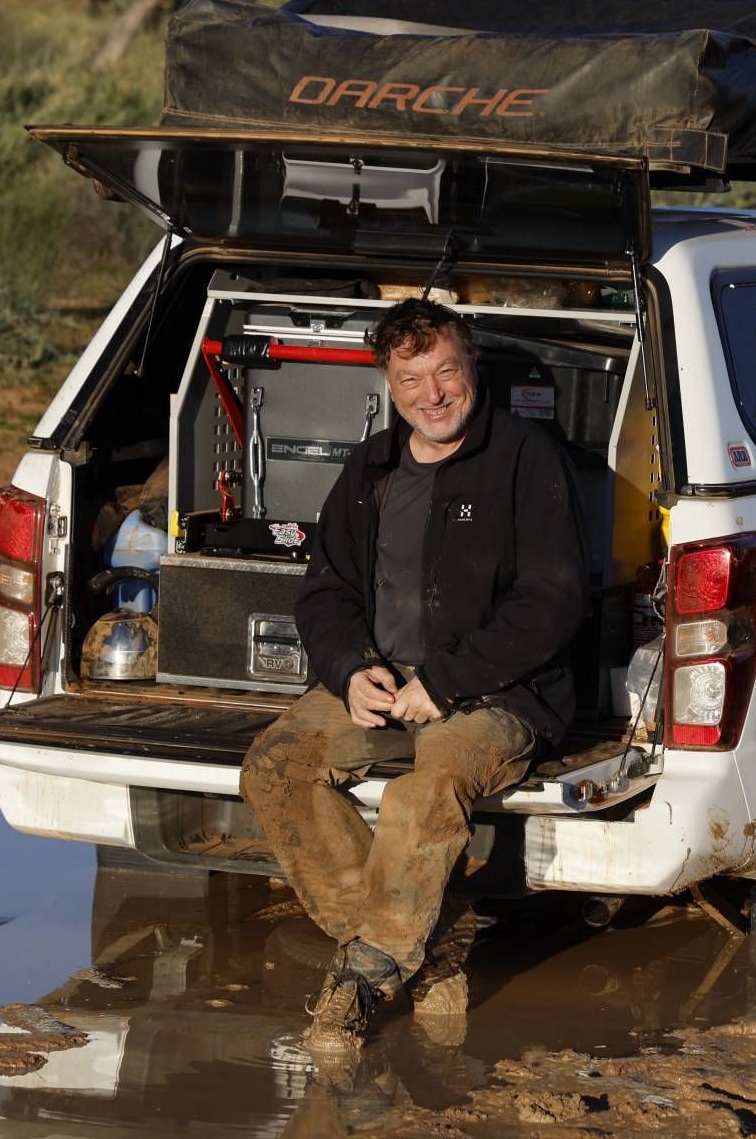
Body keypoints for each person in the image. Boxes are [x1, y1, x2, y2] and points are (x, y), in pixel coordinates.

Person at [241, 298, 588, 1055]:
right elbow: (325, 592)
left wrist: (448, 680)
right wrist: (350, 669)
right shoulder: (371, 466)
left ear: (471, 368)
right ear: (388, 385)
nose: (432, 395)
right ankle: (432, 941)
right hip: (385, 682)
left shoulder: (526, 458)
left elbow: (553, 600)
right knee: (276, 765)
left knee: (426, 790)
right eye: (411, 379)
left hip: (499, 692)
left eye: (445, 372)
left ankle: (360, 982)